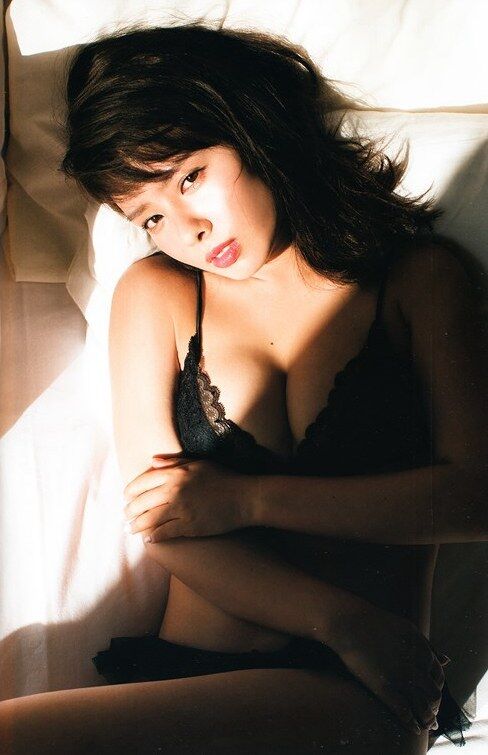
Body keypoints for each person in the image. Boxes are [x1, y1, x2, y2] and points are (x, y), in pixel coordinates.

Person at [0, 23, 486, 754]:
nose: (188, 229)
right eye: (151, 216)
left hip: (355, 696)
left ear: (252, 129)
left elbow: (475, 496)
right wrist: (342, 620)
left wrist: (247, 500)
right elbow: (163, 522)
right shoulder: (158, 294)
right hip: (186, 675)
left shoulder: (420, 280)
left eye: (189, 177)